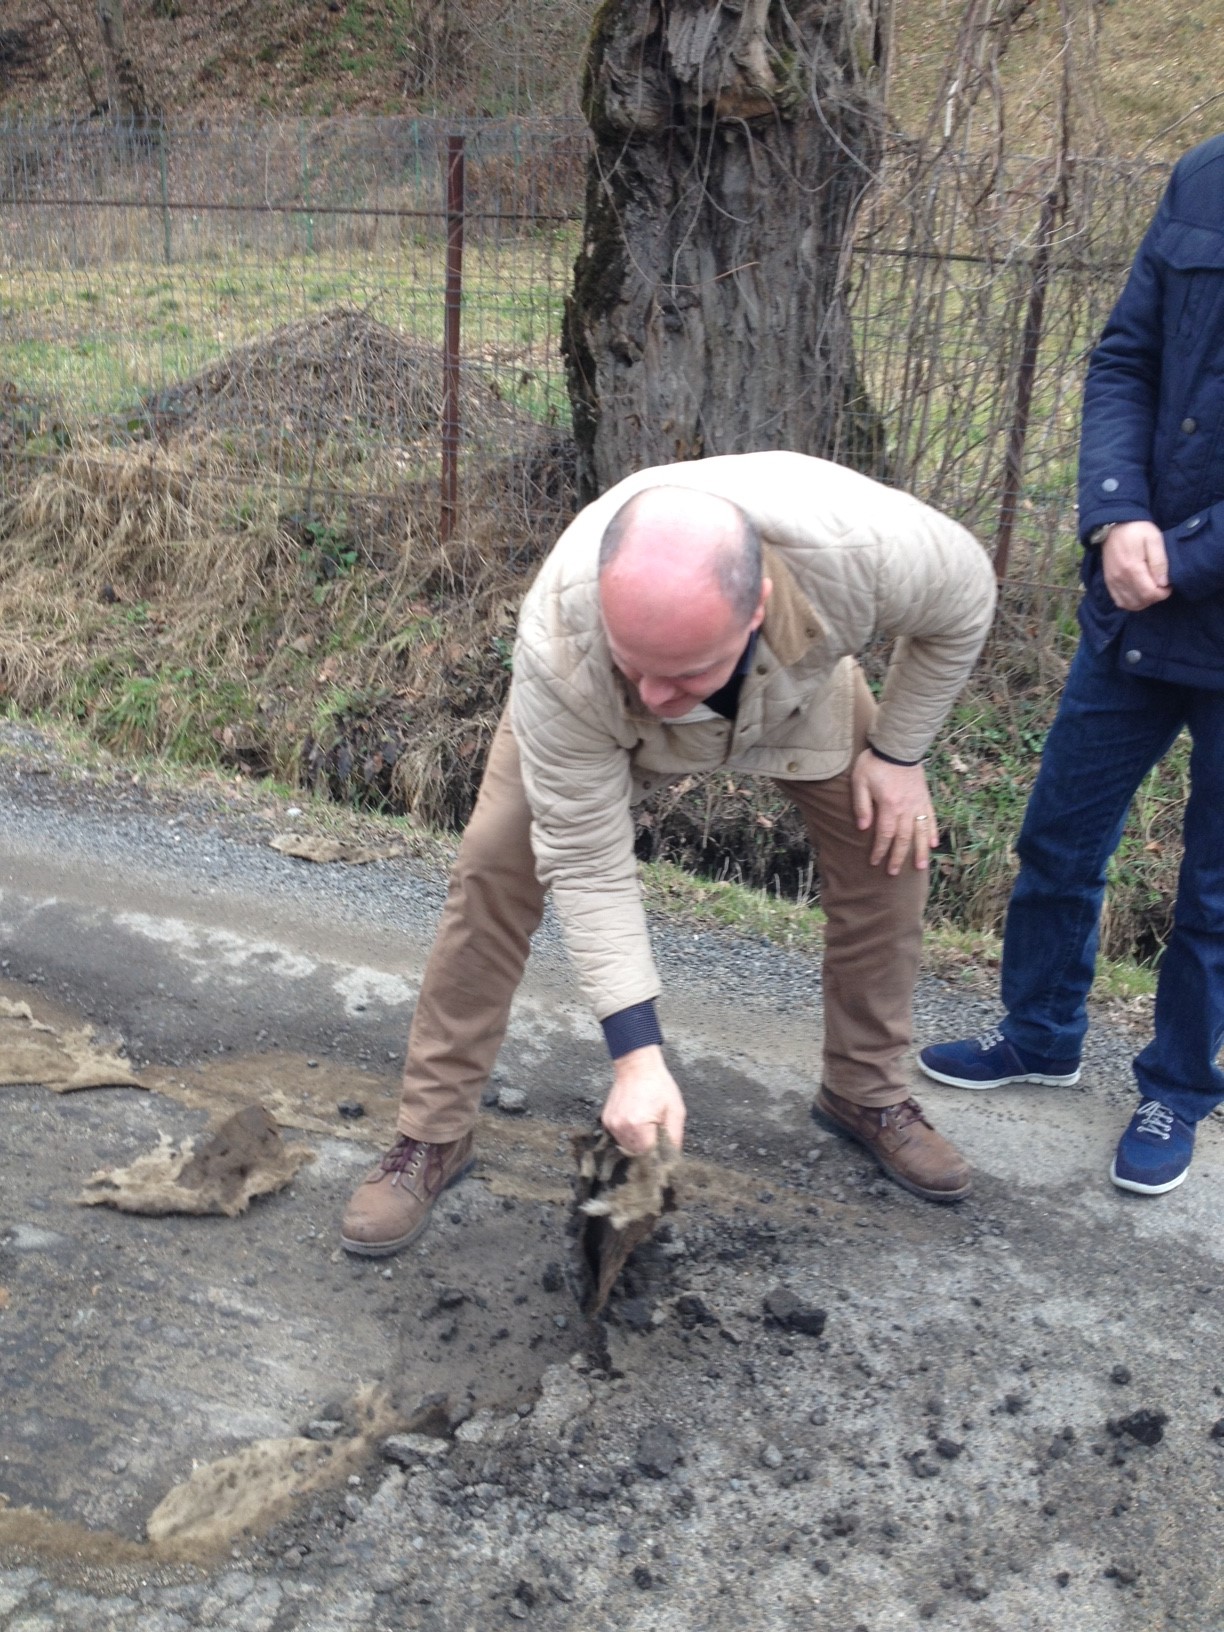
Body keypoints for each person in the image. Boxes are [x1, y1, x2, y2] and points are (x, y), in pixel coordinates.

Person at [341, 451, 997, 1256]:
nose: (656, 696)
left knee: (889, 850)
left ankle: (865, 1090)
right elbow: (587, 860)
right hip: (597, 720)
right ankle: (433, 1132)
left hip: (795, 697)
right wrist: (637, 1059)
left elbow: (967, 598)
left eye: (682, 674)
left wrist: (898, 754)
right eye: (638, 667)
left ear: (756, 606)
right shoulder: (563, 639)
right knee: (493, 870)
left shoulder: (860, 549)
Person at [920, 133, 1224, 1197]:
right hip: (1133, 602)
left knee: (1215, 891)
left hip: (1185, 584)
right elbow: (1126, 359)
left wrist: (1184, 556)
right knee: (1059, 834)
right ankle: (1041, 1032)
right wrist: (1117, 514)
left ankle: (1178, 1086)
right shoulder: (1203, 177)